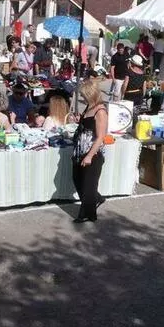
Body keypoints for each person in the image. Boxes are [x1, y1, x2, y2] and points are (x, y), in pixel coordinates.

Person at [72, 78, 108, 223]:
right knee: (77, 178)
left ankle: (87, 214)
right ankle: (96, 198)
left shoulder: (100, 111)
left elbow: (100, 137)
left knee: (88, 184)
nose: (82, 97)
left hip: (92, 152)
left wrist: (90, 156)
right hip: (80, 149)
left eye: (84, 94)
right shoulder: (89, 107)